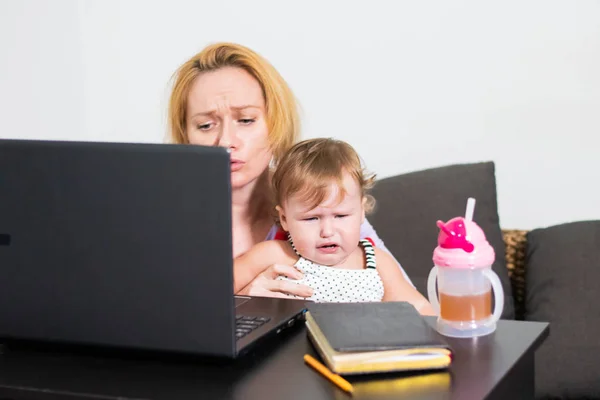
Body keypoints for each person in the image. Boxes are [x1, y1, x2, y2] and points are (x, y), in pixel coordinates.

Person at [167, 42, 414, 299]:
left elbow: (411, 311)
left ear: (277, 124)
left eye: (246, 120)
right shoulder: (168, 217)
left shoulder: (315, 197)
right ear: (186, 134)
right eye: (205, 125)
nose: (226, 140)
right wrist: (241, 302)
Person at [234, 138, 434, 314]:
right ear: (284, 219)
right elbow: (214, 297)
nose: (327, 232)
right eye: (311, 219)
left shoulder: (375, 261)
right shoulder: (275, 255)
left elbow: (419, 308)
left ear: (361, 211)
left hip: (363, 354)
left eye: (340, 215)